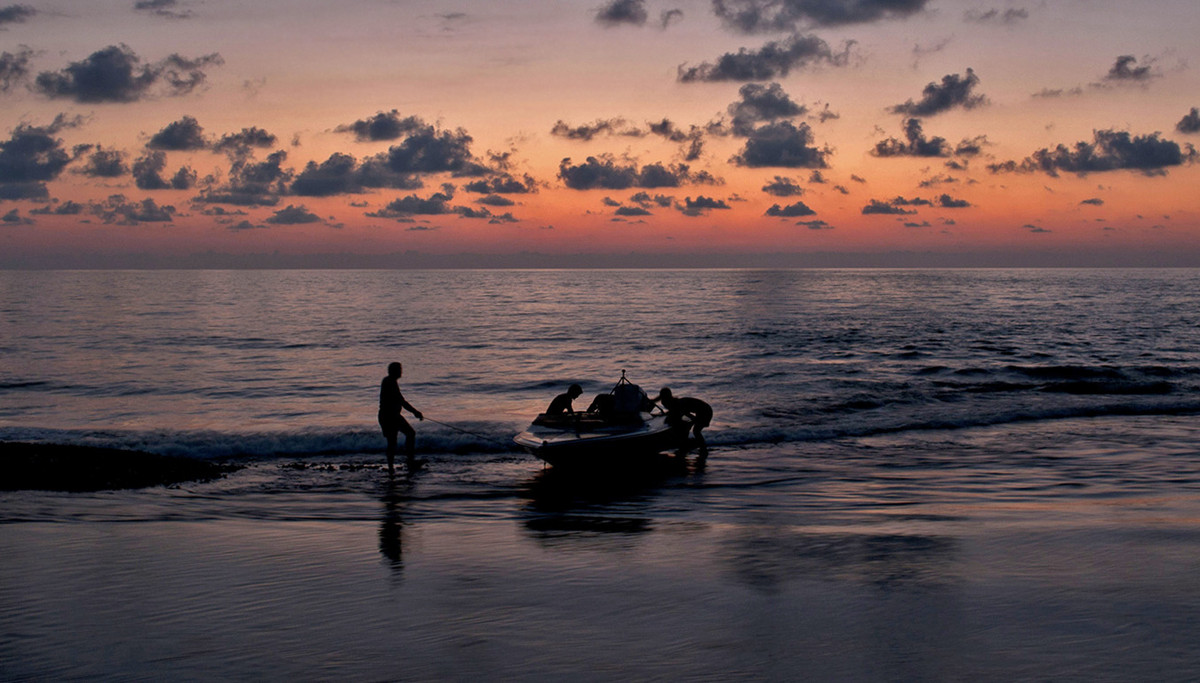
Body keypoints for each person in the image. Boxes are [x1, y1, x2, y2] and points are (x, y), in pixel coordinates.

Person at [378, 362, 424, 473]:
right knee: (400, 438)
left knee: (404, 437)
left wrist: (414, 412)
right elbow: (401, 401)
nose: (401, 372)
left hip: (391, 415)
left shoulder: (390, 381)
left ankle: (400, 464)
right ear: (394, 371)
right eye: (399, 369)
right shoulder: (389, 382)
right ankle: (404, 463)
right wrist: (415, 412)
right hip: (389, 416)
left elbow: (400, 400)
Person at [653, 387, 712, 459]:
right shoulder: (673, 402)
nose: (665, 406)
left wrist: (692, 422)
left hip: (706, 411)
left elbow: (690, 416)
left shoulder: (679, 405)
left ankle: (703, 449)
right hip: (701, 410)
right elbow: (658, 400)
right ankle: (691, 443)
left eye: (666, 405)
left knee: (696, 431)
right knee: (686, 427)